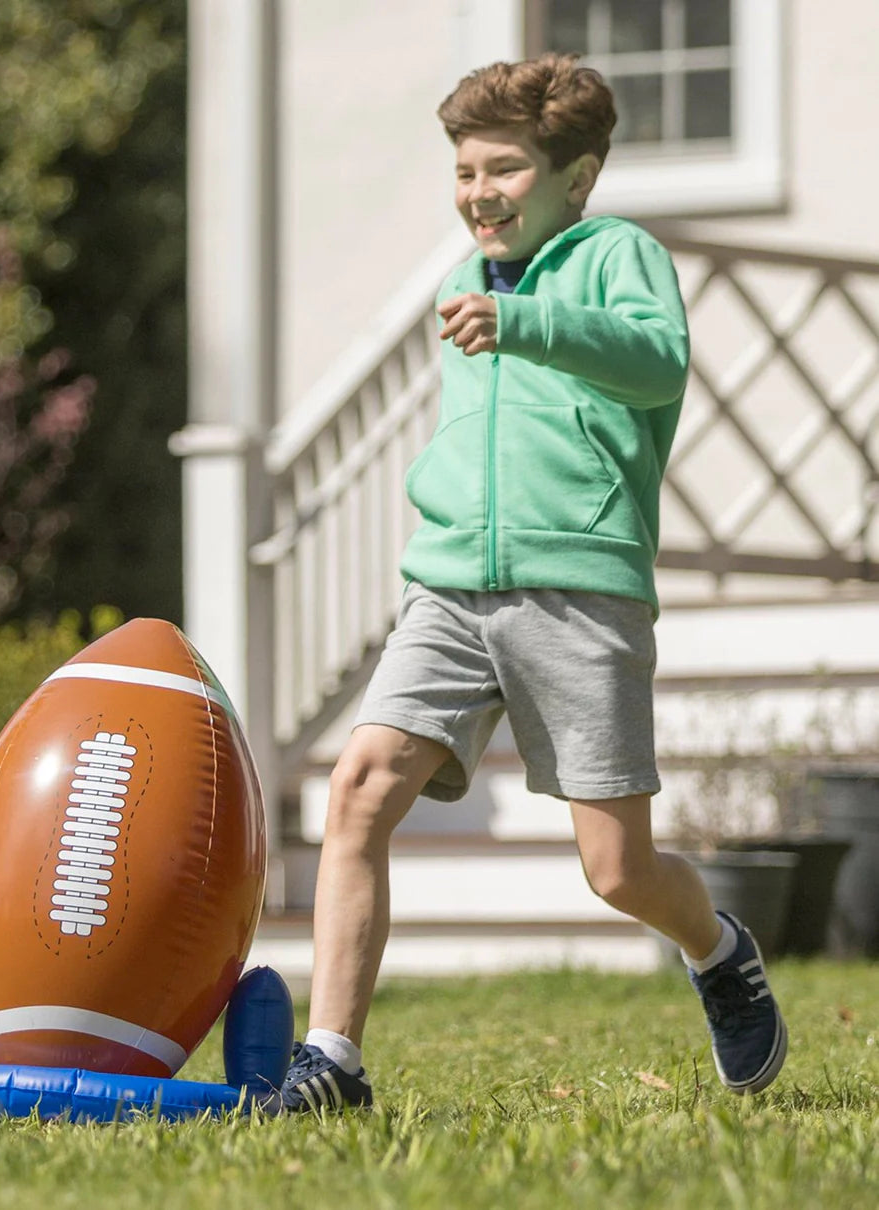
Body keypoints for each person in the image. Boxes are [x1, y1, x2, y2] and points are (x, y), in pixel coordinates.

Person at [269, 53, 787, 1113]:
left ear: (575, 178)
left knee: (614, 871)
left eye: (502, 168)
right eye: (463, 171)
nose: (477, 193)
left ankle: (717, 949)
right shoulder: (466, 279)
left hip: (579, 585)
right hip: (451, 583)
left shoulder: (616, 254)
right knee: (359, 788)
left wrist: (528, 324)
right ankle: (333, 1061)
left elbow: (655, 361)